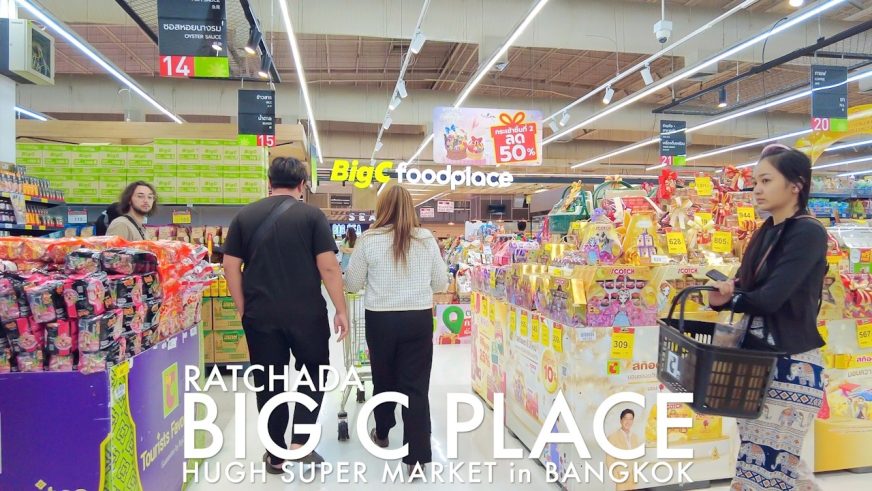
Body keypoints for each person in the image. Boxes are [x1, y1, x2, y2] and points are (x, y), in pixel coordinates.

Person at [708, 144, 827, 491]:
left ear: (796, 185)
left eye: (766, 180)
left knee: (767, 470)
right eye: (755, 181)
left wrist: (735, 298)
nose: (756, 189)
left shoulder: (807, 232)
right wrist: (723, 296)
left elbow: (771, 298)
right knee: (765, 462)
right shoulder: (766, 230)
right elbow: (745, 286)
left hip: (790, 363)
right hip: (756, 361)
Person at [222, 157, 349, 472]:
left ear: (269, 182)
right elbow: (329, 267)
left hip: (260, 315)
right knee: (314, 373)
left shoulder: (244, 216)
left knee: (269, 381)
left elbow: (230, 267)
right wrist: (341, 309)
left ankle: (276, 454)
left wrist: (242, 307)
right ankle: (300, 443)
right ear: (302, 185)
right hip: (307, 314)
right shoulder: (312, 217)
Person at [344, 186, 449, 475]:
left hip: (381, 321)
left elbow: (352, 283)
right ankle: (416, 458)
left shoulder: (369, 239)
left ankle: (382, 431)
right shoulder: (425, 238)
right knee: (416, 386)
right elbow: (441, 282)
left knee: (383, 378)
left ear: (382, 208)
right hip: (417, 318)